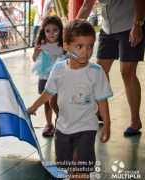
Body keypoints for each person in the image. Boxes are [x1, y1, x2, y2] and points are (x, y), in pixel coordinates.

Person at [27, 19, 113, 179]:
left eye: (90, 46)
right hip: (63, 129)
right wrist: (34, 106)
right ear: (66, 47)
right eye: (79, 46)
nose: (86, 51)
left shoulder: (96, 71)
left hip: (86, 127)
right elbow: (48, 92)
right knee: (69, 169)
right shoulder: (58, 69)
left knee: (81, 172)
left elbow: (102, 99)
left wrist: (107, 124)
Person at [77, 0, 145, 136]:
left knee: (127, 72)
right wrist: (71, 30)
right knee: (100, 71)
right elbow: (86, 5)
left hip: (130, 25)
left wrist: (137, 24)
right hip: (108, 28)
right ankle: (99, 113)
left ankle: (135, 120)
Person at [31, 15, 64, 136]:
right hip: (44, 77)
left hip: (58, 79)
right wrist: (35, 53)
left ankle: (60, 120)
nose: (51, 33)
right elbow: (35, 60)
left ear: (60, 30)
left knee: (54, 102)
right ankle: (49, 124)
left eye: (55, 30)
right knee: (46, 102)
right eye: (48, 31)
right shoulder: (42, 44)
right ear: (44, 32)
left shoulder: (62, 45)